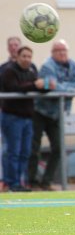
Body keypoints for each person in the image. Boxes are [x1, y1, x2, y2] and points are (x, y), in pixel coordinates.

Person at [28, 40, 75, 191]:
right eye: (58, 50)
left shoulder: (74, 65)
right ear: (52, 53)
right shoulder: (48, 66)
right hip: (41, 111)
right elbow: (52, 87)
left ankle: (46, 181)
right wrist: (69, 89)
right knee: (34, 147)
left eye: (64, 50)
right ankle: (32, 181)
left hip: (58, 113)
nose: (62, 53)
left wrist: (63, 88)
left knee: (59, 147)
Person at [1, 46, 54, 192]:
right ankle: (11, 182)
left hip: (27, 118)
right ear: (17, 57)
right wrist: (34, 85)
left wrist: (47, 86)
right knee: (13, 151)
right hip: (12, 117)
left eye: (29, 56)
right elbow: (13, 88)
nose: (27, 59)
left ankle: (21, 182)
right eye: (24, 56)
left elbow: (36, 87)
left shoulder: (31, 71)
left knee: (25, 152)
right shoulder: (9, 71)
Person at [0, 36, 24, 185]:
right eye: (12, 45)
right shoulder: (4, 68)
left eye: (17, 45)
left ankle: (21, 181)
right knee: (10, 149)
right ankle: (8, 181)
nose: (14, 47)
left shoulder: (30, 66)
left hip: (25, 114)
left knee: (24, 150)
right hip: (9, 114)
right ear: (9, 48)